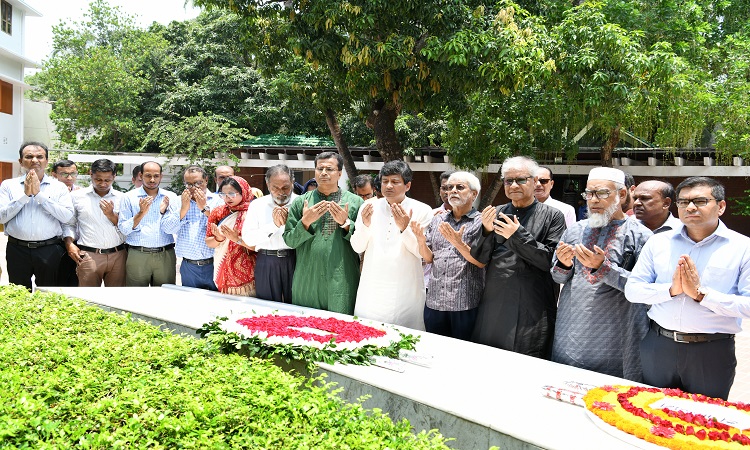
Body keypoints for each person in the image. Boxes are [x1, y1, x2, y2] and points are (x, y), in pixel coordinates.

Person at [625, 177, 750, 400]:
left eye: (700, 201)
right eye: (682, 202)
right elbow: (633, 290)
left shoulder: (742, 248)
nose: (690, 207)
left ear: (721, 206)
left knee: (703, 422)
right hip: (659, 345)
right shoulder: (659, 242)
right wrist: (670, 290)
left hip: (711, 351)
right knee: (650, 415)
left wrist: (702, 295)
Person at [551, 167, 652, 381]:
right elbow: (558, 277)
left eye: (602, 193)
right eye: (589, 194)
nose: (593, 200)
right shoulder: (575, 231)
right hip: (572, 325)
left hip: (616, 329)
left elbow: (645, 289)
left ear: (622, 194)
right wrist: (564, 263)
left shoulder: (640, 235)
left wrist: (603, 269)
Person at [471, 156, 566, 358]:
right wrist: (486, 232)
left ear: (534, 181)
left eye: (520, 180)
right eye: (508, 180)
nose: (513, 185)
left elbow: (549, 260)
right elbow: (479, 257)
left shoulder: (553, 216)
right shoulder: (496, 213)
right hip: (496, 296)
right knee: (492, 356)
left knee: (528, 355)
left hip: (533, 300)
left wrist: (517, 235)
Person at [352, 160, 433, 329]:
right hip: (372, 286)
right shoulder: (368, 206)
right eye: (385, 181)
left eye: (395, 182)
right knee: (368, 334)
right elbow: (357, 247)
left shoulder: (422, 210)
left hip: (406, 287)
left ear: (407, 185)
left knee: (406, 337)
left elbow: (421, 254)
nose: (388, 186)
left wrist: (405, 228)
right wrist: (365, 225)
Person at [283, 152, 363, 314]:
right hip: (307, 278)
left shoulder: (355, 202)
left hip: (342, 278)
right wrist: (305, 222)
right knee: (305, 328)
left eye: (330, 169)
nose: (324, 173)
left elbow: (363, 243)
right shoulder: (301, 202)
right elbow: (290, 241)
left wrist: (346, 223)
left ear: (340, 173)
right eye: (320, 169)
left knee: (340, 329)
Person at [412, 171, 485, 340]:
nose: (452, 191)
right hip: (435, 301)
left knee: (463, 352)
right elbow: (429, 258)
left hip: (464, 303)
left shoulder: (481, 222)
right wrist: (421, 241)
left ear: (474, 194)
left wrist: (458, 242)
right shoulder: (438, 220)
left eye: (460, 187)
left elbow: (481, 261)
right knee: (434, 350)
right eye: (449, 187)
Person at [0, 142, 74, 290]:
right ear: (21, 161)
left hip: (49, 249)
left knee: (49, 293)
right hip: (17, 249)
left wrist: (39, 195)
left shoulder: (58, 187)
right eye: (29, 156)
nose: (35, 160)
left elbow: (67, 217)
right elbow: (1, 218)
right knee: (19, 294)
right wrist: (25, 196)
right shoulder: (8, 185)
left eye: (39, 156)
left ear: (46, 161)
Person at [62, 159, 127, 287]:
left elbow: (127, 226)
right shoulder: (76, 197)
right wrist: (69, 244)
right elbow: (69, 224)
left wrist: (111, 215)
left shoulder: (122, 198)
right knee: (88, 300)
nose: (103, 184)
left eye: (107, 180)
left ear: (114, 176)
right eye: (98, 179)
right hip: (88, 255)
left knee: (117, 299)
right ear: (90, 174)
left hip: (118, 256)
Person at [118, 161, 180, 287]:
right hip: (138, 255)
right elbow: (124, 229)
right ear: (140, 175)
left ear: (161, 176)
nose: (152, 179)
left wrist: (165, 212)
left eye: (156, 176)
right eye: (148, 175)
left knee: (165, 296)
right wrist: (141, 213)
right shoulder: (129, 197)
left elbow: (174, 228)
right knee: (137, 296)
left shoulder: (171, 197)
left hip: (165, 255)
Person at [242, 164, 298, 303]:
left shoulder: (301, 203)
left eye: (285, 187)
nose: (281, 192)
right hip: (266, 261)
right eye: (275, 188)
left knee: (297, 306)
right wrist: (274, 226)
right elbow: (248, 239)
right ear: (268, 185)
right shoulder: (257, 205)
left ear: (292, 182)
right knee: (267, 308)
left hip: (296, 260)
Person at [206, 176, 258, 296]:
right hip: (224, 268)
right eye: (223, 194)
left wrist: (237, 239)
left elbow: (259, 246)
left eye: (231, 194)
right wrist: (219, 238)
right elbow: (209, 242)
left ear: (243, 191)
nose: (227, 198)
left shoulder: (254, 212)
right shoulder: (218, 212)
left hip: (251, 270)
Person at [175, 165, 223, 290]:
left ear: (206, 180)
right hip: (188, 265)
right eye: (189, 184)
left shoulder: (219, 201)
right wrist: (183, 209)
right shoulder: (178, 201)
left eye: (198, 183)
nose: (193, 188)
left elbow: (223, 227)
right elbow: (168, 229)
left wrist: (204, 208)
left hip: (214, 264)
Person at [52, 159, 81, 287]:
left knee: (75, 281)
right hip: (55, 244)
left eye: (73, 174)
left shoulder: (82, 193)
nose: (69, 178)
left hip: (78, 243)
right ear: (54, 174)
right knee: (56, 281)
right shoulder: (48, 193)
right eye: (64, 174)